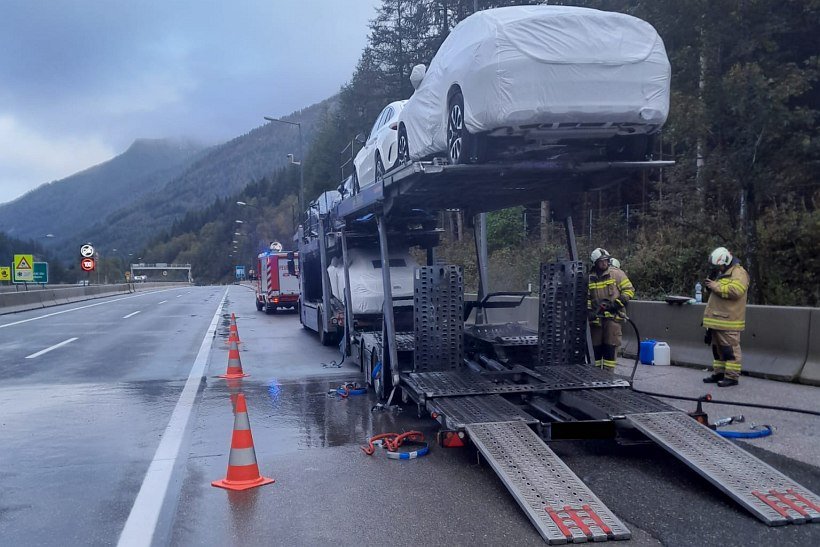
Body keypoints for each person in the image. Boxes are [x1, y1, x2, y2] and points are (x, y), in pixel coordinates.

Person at [702, 247, 749, 387]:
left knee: (730, 350)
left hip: (729, 320)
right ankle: (720, 373)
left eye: (720, 265)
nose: (719, 268)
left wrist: (715, 286)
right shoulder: (723, 272)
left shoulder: (739, 273)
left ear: (726, 261)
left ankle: (732, 377)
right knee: (718, 350)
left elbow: (736, 291)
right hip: (717, 319)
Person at [588, 248, 635, 371]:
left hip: (613, 319)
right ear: (595, 263)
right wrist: (590, 312)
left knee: (610, 348)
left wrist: (616, 304)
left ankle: (608, 377)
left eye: (606, 260)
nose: (604, 263)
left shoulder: (617, 274)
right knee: (595, 350)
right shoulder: (589, 278)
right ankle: (595, 376)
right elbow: (586, 298)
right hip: (596, 321)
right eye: (601, 261)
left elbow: (629, 290)